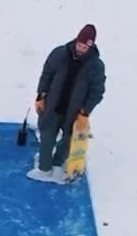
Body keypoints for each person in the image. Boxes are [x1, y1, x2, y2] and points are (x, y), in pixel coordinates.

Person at [27, 24, 106, 183]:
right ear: (76, 40)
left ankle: (57, 164)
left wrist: (85, 112)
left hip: (74, 112)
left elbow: (97, 92)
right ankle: (44, 168)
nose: (81, 49)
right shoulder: (60, 54)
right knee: (47, 135)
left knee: (68, 139)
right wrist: (41, 95)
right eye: (79, 44)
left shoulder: (96, 66)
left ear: (90, 47)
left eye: (84, 47)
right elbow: (47, 74)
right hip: (53, 106)